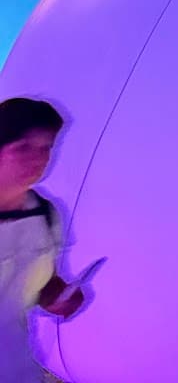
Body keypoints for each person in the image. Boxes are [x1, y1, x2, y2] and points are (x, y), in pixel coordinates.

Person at [0, 99, 86, 383]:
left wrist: (58, 296)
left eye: (46, 147)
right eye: (23, 148)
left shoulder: (47, 214)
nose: (38, 159)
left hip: (15, 369)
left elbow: (40, 283)